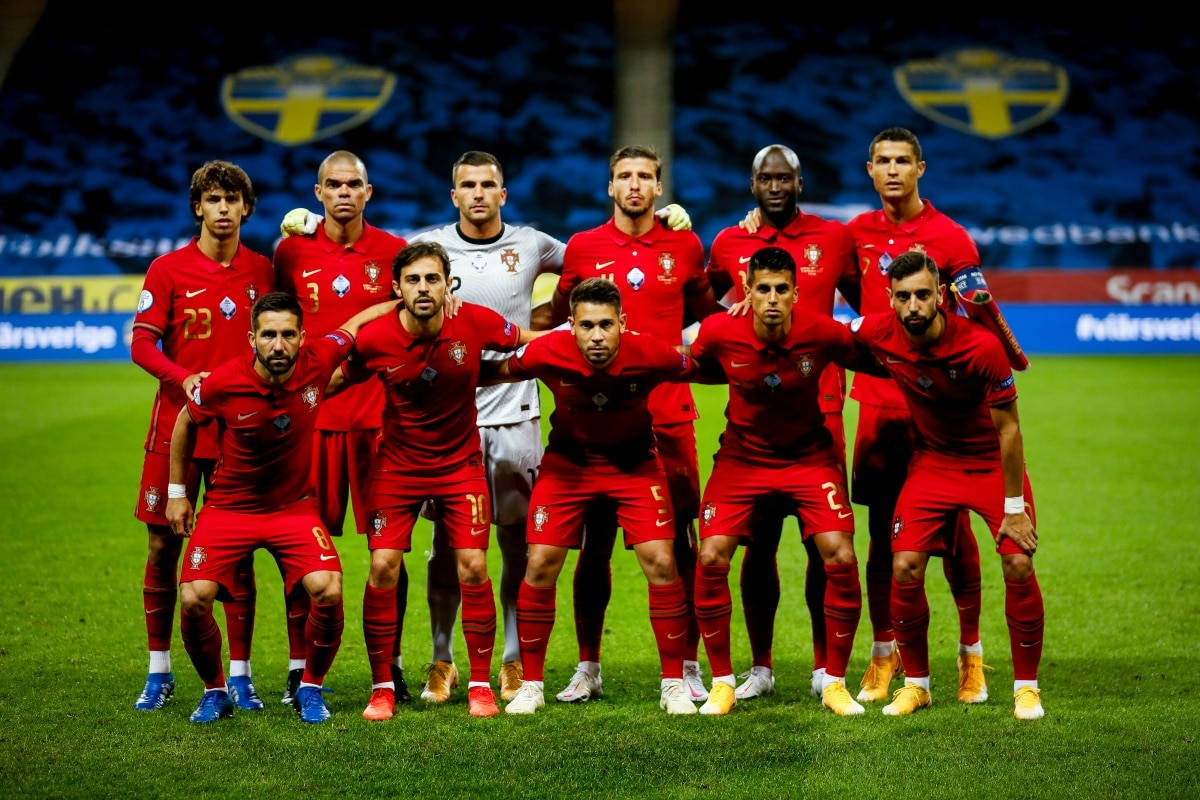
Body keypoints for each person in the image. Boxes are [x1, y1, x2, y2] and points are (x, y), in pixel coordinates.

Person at [846, 127, 1026, 704]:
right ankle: (885, 654)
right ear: (869, 169)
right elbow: (854, 300)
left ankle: (970, 652)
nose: (893, 171)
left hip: (943, 412)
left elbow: (976, 316)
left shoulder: (950, 237)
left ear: (921, 168)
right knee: (885, 538)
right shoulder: (855, 234)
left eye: (903, 161)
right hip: (880, 401)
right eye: (883, 162)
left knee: (954, 536)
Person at [331, 241, 542, 720]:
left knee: (472, 566)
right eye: (413, 280)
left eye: (432, 279)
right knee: (383, 566)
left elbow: (525, 339)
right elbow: (337, 379)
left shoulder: (475, 320)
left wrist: (574, 341)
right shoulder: (375, 338)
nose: (423, 288)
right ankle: (382, 686)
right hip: (397, 468)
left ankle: (481, 685)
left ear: (448, 283)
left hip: (459, 467)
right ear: (396, 288)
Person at [165, 291, 396, 724]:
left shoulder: (318, 359)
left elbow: (357, 323)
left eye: (288, 334)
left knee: (327, 587)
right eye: (268, 335)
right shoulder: (223, 382)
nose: (278, 344)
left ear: (302, 337)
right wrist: (178, 492)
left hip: (293, 508)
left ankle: (310, 686)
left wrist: (401, 302)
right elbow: (184, 422)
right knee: (194, 598)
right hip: (229, 509)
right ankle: (215, 691)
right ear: (252, 338)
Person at [550, 145, 721, 704]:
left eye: (645, 176)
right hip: (595, 423)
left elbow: (707, 317)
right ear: (610, 187)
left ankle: (689, 665)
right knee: (593, 544)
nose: (634, 185)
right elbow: (557, 324)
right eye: (624, 176)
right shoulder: (583, 247)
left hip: (669, 417)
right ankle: (587, 667)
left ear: (658, 187)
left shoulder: (683, 244)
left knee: (680, 545)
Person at [689, 246, 879, 716]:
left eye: (781, 290)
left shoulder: (822, 331)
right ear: (746, 293)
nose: (772, 298)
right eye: (762, 289)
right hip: (741, 460)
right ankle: (723, 683)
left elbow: (877, 359)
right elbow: (687, 365)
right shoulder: (718, 331)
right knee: (712, 555)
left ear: (796, 293)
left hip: (808, 458)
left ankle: (834, 681)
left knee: (840, 554)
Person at [405, 151, 565, 704]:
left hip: (517, 415)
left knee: (516, 543)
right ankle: (443, 660)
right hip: (449, 422)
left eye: (487, 184)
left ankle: (514, 659)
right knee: (447, 546)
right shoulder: (429, 248)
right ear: (454, 196)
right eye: (467, 185)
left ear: (503, 193)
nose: (477, 193)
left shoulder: (532, 244)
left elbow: (593, 263)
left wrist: (548, 319)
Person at [500, 278, 700, 716]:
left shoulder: (649, 351)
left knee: (663, 562)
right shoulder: (546, 351)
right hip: (568, 466)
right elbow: (493, 371)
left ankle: (673, 684)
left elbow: (703, 366)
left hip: (634, 465)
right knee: (539, 563)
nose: (596, 336)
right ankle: (532, 684)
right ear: (569, 325)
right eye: (586, 325)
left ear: (622, 324)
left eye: (606, 325)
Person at [706, 145, 861, 702]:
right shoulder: (729, 242)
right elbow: (702, 304)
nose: (775, 187)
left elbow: (866, 310)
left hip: (822, 417)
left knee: (826, 545)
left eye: (785, 178)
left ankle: (826, 666)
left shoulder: (834, 238)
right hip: (753, 423)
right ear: (752, 184)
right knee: (757, 547)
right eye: (766, 179)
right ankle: (761, 667)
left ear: (799, 180)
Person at [130, 160, 272, 713]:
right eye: (212, 199)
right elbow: (143, 345)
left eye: (231, 199)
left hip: (243, 433)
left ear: (245, 208)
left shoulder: (264, 270)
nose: (222, 208)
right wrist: (182, 377)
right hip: (176, 431)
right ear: (198, 208)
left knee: (237, 550)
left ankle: (240, 675)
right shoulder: (167, 270)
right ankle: (158, 670)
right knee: (163, 544)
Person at [274, 150, 412, 706]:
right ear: (318, 192)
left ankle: (391, 667)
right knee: (300, 552)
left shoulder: (394, 252)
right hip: (309, 424)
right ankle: (298, 668)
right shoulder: (290, 252)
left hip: (380, 422)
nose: (344, 193)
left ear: (368, 192)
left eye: (354, 184)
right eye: (334, 185)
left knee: (389, 554)